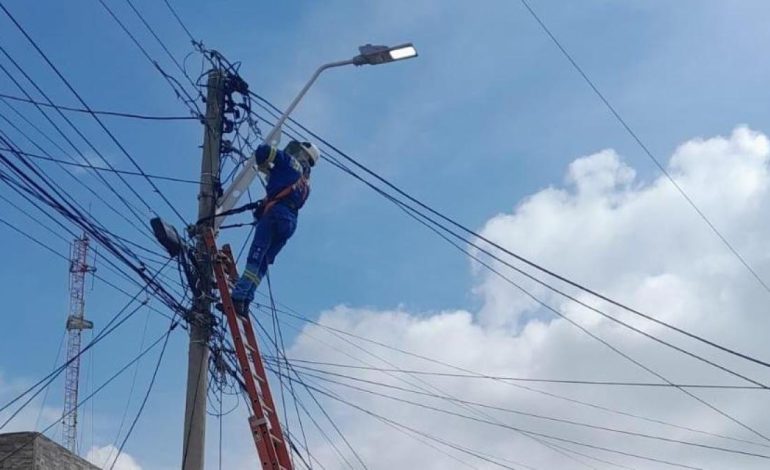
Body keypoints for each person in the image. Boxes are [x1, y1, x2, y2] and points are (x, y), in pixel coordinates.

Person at [230, 140, 319, 317]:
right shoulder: (306, 185)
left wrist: (264, 164)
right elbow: (286, 196)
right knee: (263, 263)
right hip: (289, 224)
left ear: (301, 153)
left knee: (255, 257)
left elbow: (264, 151)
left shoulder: (289, 162)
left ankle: (239, 297)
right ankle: (246, 299)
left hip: (275, 215)